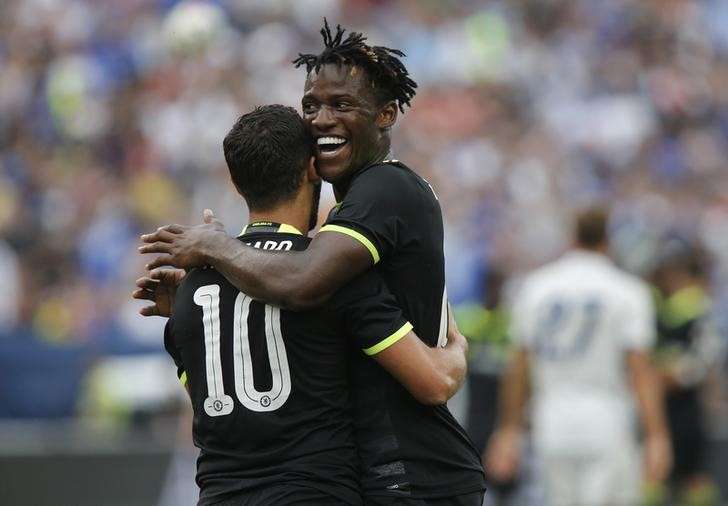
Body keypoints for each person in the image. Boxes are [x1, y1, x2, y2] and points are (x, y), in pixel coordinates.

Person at [139, 20, 486, 505]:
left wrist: (213, 253)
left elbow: (303, 281)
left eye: (341, 105)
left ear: (387, 114)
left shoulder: (383, 190)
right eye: (311, 106)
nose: (321, 119)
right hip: (373, 473)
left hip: (409, 471)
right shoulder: (332, 236)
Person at [484, 207, 672, 506]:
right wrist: (656, 435)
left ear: (572, 236)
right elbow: (640, 371)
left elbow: (518, 367)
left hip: (551, 418)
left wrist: (508, 429)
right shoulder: (627, 291)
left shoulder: (537, 287)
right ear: (607, 239)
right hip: (607, 416)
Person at [652, 239, 722, 505]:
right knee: (660, 474)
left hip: (689, 405)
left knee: (693, 474)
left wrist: (678, 374)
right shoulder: (659, 310)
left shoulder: (701, 310)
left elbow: (705, 357)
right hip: (662, 404)